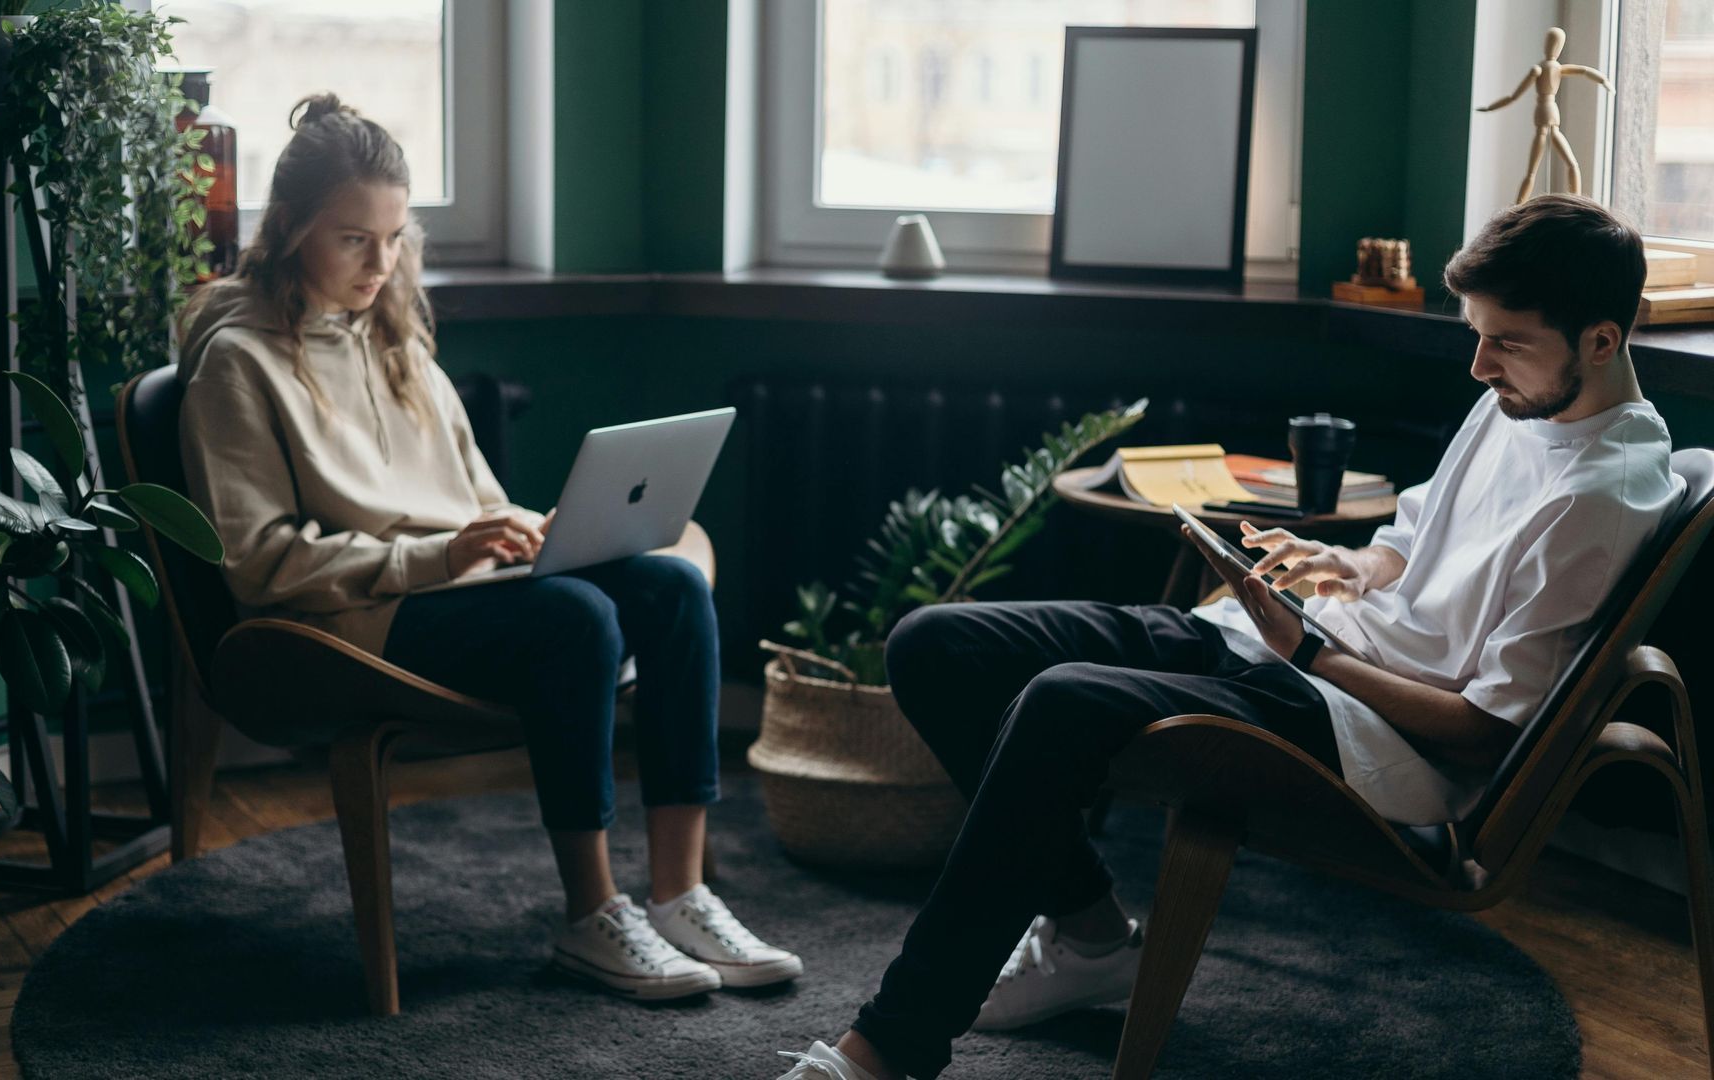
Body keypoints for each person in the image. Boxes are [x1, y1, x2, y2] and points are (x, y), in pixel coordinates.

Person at [774, 194, 1682, 1079]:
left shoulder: (1597, 499)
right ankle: (1091, 935)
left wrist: (1309, 652)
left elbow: (1487, 731)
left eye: (1506, 343)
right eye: (1475, 334)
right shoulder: (1518, 398)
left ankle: (887, 1052)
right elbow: (1412, 544)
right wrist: (1342, 567)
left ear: (1604, 339)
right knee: (936, 645)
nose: (1478, 365)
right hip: (1301, 653)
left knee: (1062, 702)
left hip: (1366, 734)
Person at [177, 94, 801, 1003]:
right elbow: (262, 563)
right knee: (574, 618)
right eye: (354, 239)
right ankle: (593, 915)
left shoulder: (397, 342)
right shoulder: (237, 365)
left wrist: (533, 531)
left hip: (449, 589)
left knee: (670, 587)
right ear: (292, 229)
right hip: (349, 622)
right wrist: (439, 557)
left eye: (394, 237)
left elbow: (471, 500)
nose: (381, 264)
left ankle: (682, 893)